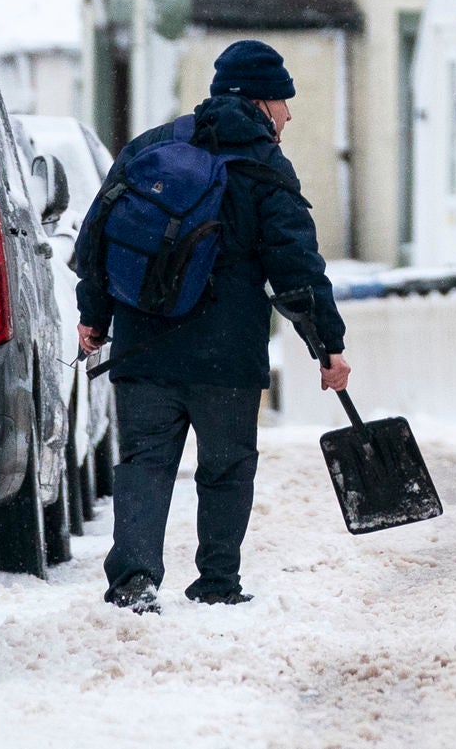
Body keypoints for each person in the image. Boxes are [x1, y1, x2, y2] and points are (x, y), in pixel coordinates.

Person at [74, 37, 349, 612]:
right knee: (225, 471)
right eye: (282, 101)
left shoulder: (150, 148)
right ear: (257, 103)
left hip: (144, 347)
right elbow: (296, 269)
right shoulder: (265, 169)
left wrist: (93, 318)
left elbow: (99, 237)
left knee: (143, 464)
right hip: (228, 356)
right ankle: (217, 583)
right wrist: (327, 346)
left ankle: (134, 583)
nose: (289, 113)